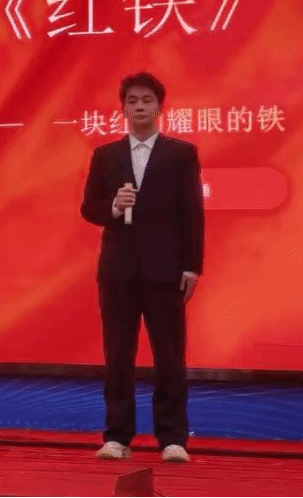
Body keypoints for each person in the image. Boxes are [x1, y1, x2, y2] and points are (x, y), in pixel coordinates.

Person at [79, 72, 205, 463]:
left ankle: (172, 438)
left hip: (166, 270)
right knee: (118, 355)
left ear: (160, 107)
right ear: (123, 108)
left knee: (169, 355)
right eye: (132, 101)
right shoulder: (106, 156)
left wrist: (192, 267)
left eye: (146, 100)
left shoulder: (181, 154)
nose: (139, 107)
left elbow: (192, 214)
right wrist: (114, 207)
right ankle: (117, 436)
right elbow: (89, 209)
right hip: (118, 271)